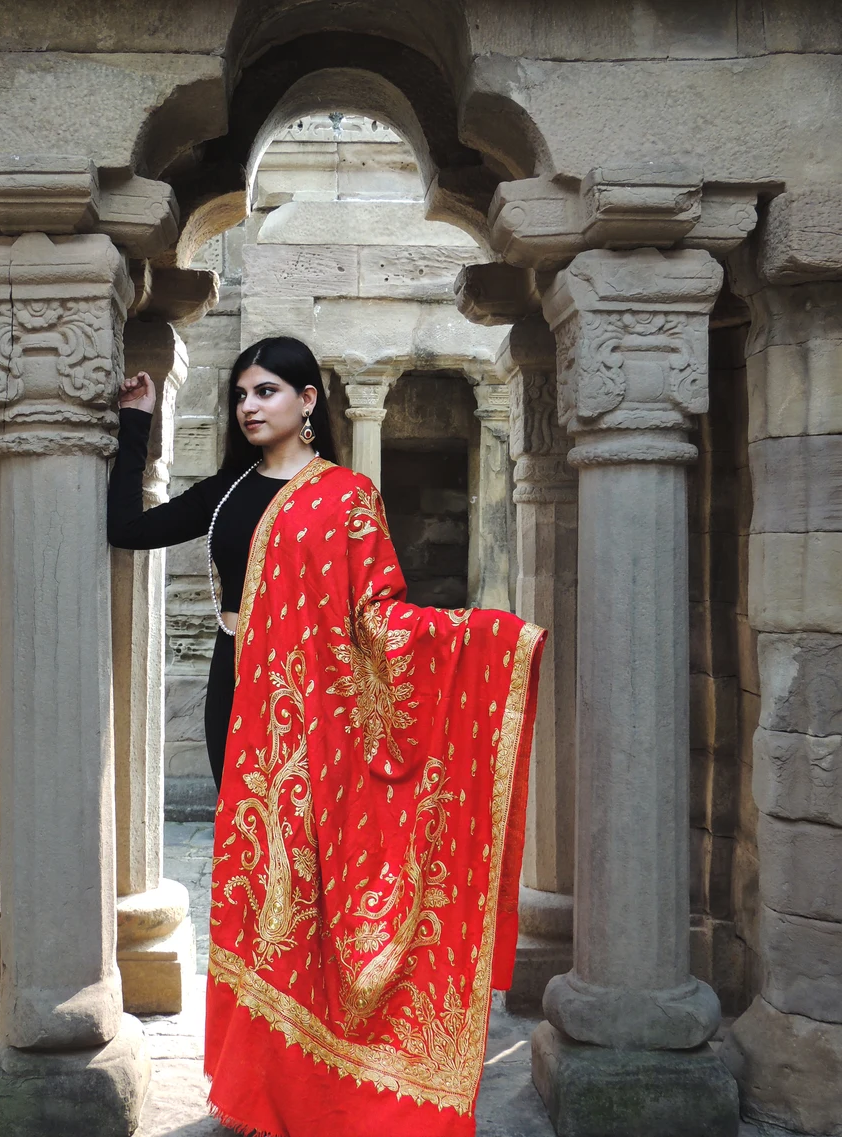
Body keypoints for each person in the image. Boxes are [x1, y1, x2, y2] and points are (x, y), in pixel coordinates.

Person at [108, 336, 546, 1137]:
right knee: (262, 890)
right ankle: (265, 1084)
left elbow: (375, 615)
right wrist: (135, 425)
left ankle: (331, 1087)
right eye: (241, 393)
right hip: (236, 697)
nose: (249, 406)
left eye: (267, 390)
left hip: (323, 716)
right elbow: (127, 529)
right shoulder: (231, 490)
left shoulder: (346, 495)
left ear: (309, 401)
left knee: (320, 889)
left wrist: (479, 638)